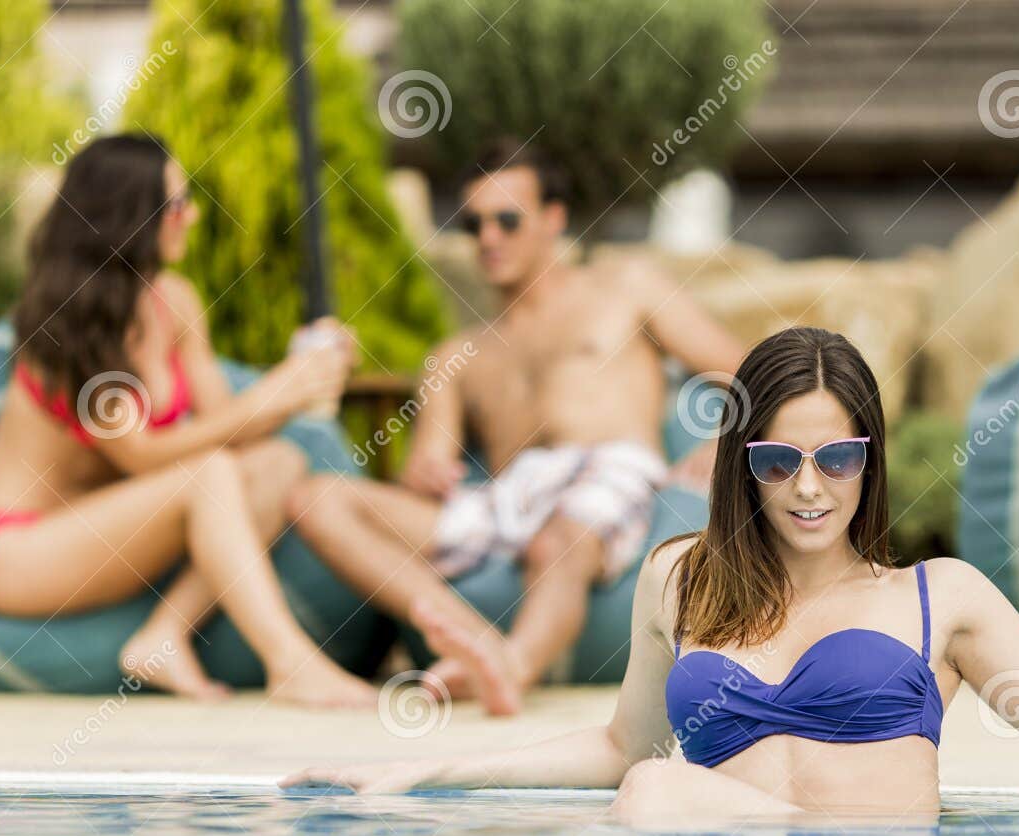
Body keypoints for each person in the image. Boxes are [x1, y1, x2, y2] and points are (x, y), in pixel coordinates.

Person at [282, 327, 1019, 821]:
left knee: (657, 791)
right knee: (649, 780)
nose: (809, 486)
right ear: (739, 464)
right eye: (778, 459)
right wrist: (417, 776)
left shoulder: (941, 598)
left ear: (870, 461)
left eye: (838, 456)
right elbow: (617, 744)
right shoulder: (680, 579)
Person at [288, 139, 747, 715]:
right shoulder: (456, 355)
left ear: (553, 219)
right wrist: (426, 469)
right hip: (509, 497)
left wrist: (722, 441)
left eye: (507, 219)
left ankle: (513, 668)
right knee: (314, 499)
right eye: (474, 222)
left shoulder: (624, 288)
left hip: (608, 472)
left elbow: (751, 370)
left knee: (557, 538)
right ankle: (477, 642)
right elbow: (426, 469)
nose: (488, 237)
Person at [0, 133, 377, 708]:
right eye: (178, 205)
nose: (193, 216)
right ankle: (290, 662)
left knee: (279, 463)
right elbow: (138, 454)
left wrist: (300, 378)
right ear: (130, 218)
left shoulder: (175, 301)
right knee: (209, 472)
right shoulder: (62, 325)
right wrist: (272, 395)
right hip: (20, 553)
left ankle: (163, 634)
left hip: (111, 529)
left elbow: (227, 425)